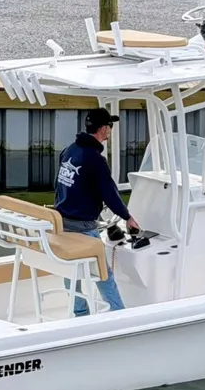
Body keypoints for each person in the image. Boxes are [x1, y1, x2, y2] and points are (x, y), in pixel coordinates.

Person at [54, 107, 140, 317]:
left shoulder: (69, 150)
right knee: (102, 272)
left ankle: (80, 311)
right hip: (82, 227)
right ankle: (118, 313)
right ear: (103, 129)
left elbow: (61, 186)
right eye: (110, 126)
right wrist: (128, 218)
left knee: (70, 268)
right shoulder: (95, 160)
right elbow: (110, 195)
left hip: (60, 223)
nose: (110, 130)